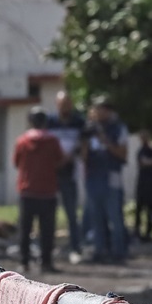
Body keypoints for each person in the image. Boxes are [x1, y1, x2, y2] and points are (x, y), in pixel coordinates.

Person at [12, 107, 64, 272]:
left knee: (25, 229)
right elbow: (60, 160)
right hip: (48, 191)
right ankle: (46, 262)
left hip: (27, 190)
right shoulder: (53, 140)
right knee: (47, 230)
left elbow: (16, 162)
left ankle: (24, 261)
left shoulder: (22, 141)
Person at [83, 96, 130, 263]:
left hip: (111, 176)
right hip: (94, 177)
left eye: (102, 109)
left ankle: (119, 252)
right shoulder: (89, 129)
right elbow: (84, 155)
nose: (98, 112)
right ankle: (100, 250)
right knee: (96, 216)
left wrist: (106, 141)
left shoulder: (118, 128)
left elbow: (123, 154)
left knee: (115, 215)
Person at [48, 90, 87, 255]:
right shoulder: (50, 122)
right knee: (49, 213)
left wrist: (71, 156)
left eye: (67, 104)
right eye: (61, 104)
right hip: (51, 174)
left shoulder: (79, 122)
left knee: (71, 213)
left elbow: (83, 144)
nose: (64, 107)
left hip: (70, 173)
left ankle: (75, 247)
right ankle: (49, 247)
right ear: (57, 105)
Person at [133, 134, 152, 241]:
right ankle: (137, 231)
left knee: (151, 209)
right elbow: (144, 162)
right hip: (143, 183)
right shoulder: (141, 151)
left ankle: (149, 232)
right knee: (139, 208)